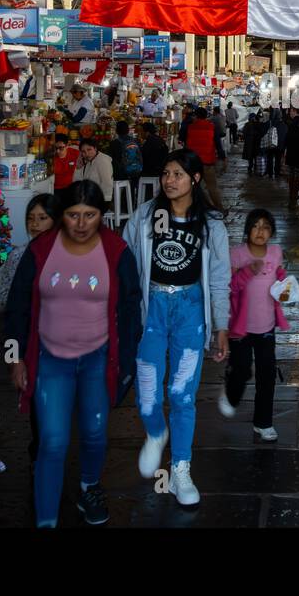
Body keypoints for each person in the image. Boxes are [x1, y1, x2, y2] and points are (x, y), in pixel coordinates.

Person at [4, 181, 141, 527]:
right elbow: (17, 305)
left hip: (98, 359)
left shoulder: (117, 251)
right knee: (52, 441)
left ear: (102, 215)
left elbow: (130, 310)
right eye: (73, 215)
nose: (81, 224)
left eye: (90, 215)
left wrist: (127, 363)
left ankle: (89, 488)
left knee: (95, 433)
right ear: (61, 216)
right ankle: (46, 518)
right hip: (50, 361)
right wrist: (14, 357)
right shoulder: (40, 249)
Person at [122, 150, 231, 506]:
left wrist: (221, 326)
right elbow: (127, 265)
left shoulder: (210, 224)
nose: (170, 180)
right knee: (148, 390)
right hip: (152, 310)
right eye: (166, 173)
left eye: (178, 174)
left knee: (183, 394)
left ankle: (180, 468)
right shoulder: (145, 216)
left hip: (190, 310)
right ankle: (156, 432)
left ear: (195, 179)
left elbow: (218, 278)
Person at [220, 209, 290, 441]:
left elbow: (278, 276)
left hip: (266, 326)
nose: (260, 231)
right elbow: (229, 288)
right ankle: (231, 392)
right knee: (241, 369)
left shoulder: (275, 252)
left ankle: (263, 422)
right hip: (240, 327)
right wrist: (247, 272)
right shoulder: (237, 254)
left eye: (266, 227)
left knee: (267, 374)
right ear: (248, 229)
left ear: (271, 232)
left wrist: (284, 282)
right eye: (256, 226)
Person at [185, 106, 226, 216]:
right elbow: (218, 144)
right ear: (206, 116)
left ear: (196, 116)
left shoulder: (190, 127)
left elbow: (183, 139)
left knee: (193, 186)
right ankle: (219, 208)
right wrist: (223, 158)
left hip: (193, 162)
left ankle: (193, 208)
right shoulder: (212, 127)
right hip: (207, 162)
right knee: (212, 186)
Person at [74, 136, 114, 204]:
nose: (87, 154)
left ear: (95, 148)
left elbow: (107, 183)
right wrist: (78, 168)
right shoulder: (89, 161)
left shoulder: (102, 160)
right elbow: (77, 182)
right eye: (83, 151)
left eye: (89, 149)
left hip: (101, 200)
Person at [112, 120, 143, 194]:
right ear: (128, 130)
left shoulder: (114, 143)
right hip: (136, 172)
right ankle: (131, 203)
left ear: (116, 131)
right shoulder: (136, 141)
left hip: (121, 175)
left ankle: (120, 203)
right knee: (131, 190)